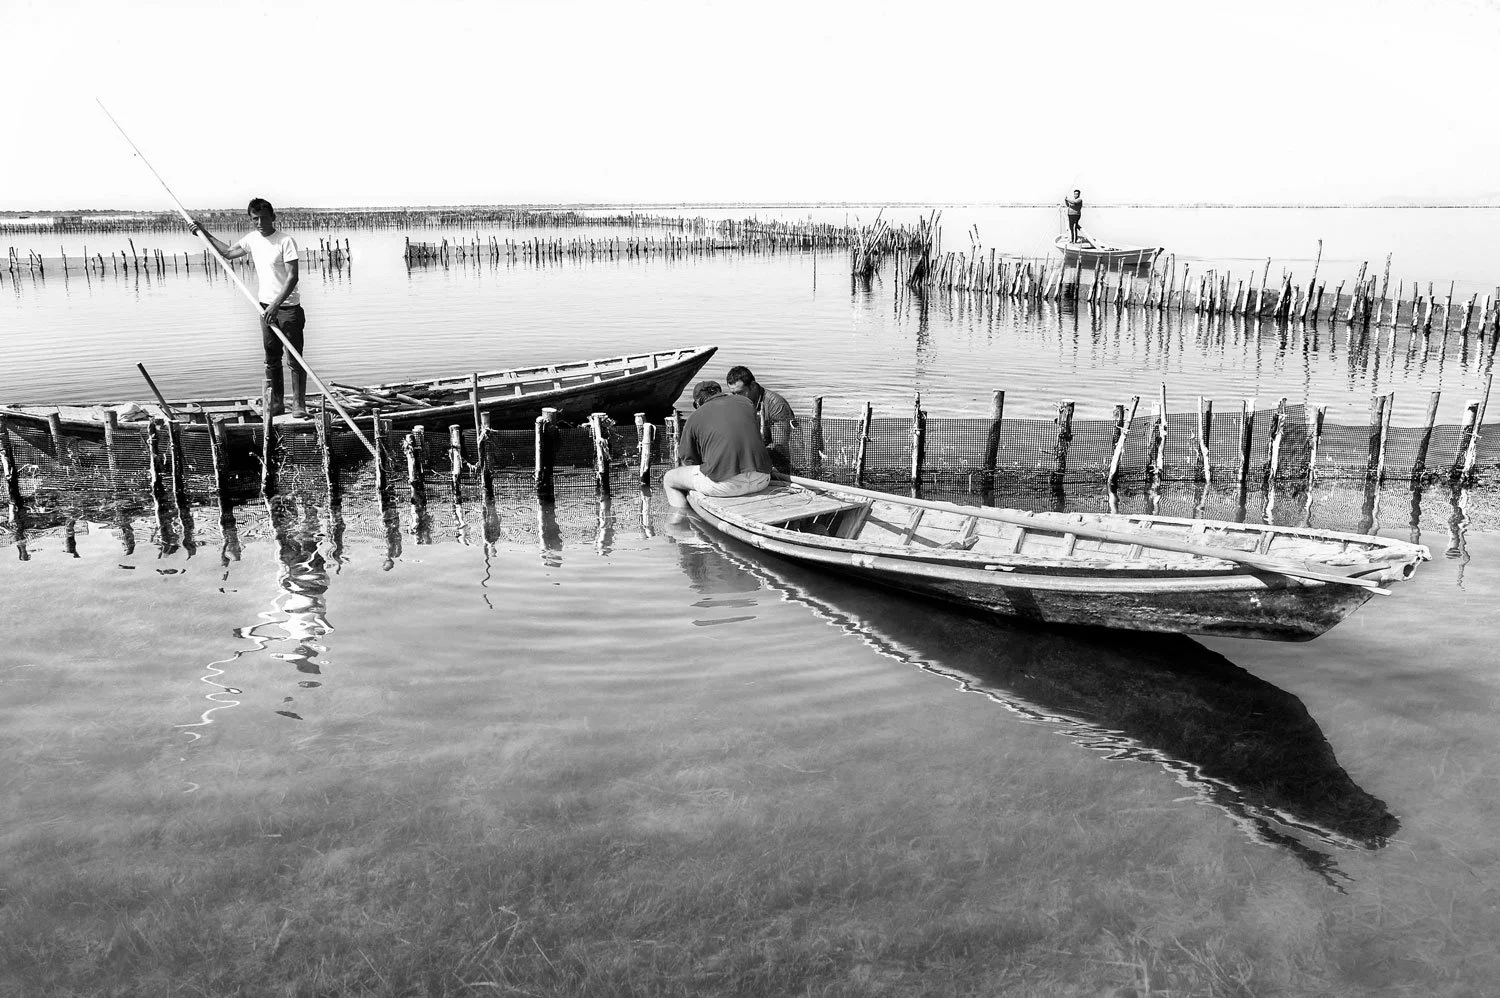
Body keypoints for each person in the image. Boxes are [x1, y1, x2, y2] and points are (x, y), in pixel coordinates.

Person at [188, 199, 307, 418]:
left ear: (273, 216)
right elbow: (228, 253)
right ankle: (277, 404)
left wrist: (276, 304)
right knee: (271, 358)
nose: (260, 222)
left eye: (263, 217)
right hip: (264, 308)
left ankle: (299, 405)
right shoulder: (252, 239)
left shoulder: (285, 241)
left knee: (294, 358)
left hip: (288, 308)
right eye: (255, 219)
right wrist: (203, 233)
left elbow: (293, 277)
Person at [662, 381, 772, 509]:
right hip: (762, 479)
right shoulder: (746, 403)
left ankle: (680, 520)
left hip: (725, 487)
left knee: (669, 479)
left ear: (698, 402)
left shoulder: (694, 417)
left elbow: (688, 460)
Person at [724, 365, 797, 473]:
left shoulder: (776, 405)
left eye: (740, 393)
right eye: (733, 393)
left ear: (753, 386)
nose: (736, 397)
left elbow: (781, 446)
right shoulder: (737, 403)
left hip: (775, 463)